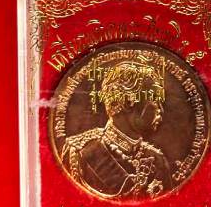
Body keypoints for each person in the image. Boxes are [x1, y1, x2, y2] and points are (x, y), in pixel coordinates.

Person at [61, 54, 172, 199]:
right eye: (155, 100)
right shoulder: (80, 152)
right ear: (127, 103)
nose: (161, 110)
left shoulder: (158, 161)